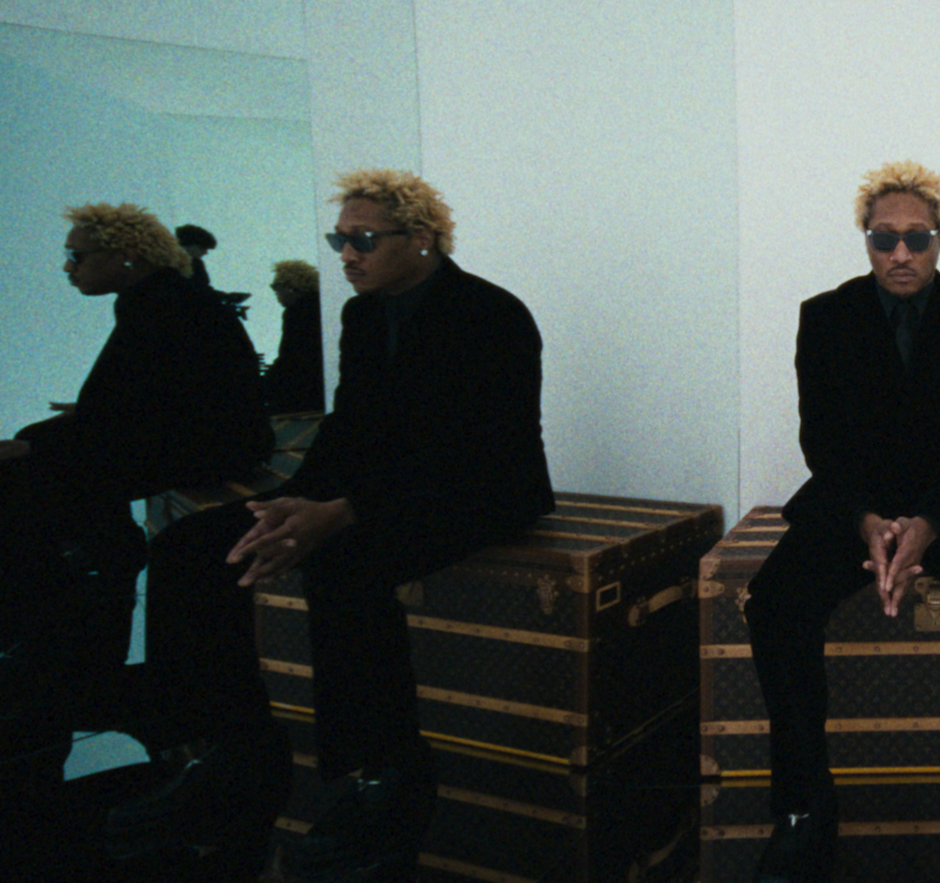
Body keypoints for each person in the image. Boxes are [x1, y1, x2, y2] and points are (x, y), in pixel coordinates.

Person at [106, 170, 554, 881]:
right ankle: (230, 745)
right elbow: (351, 427)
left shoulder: (489, 313)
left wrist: (342, 512)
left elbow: (469, 448)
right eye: (338, 238)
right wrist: (293, 502)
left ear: (422, 239)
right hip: (385, 486)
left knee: (345, 562)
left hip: (480, 489)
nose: (346, 254)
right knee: (192, 545)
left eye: (363, 240)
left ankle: (387, 772)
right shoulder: (363, 314)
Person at [745, 161, 940, 883]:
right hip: (853, 506)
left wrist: (930, 525)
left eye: (918, 238)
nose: (901, 253)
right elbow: (821, 440)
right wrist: (867, 522)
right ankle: (802, 808)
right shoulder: (825, 316)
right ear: (867, 240)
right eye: (885, 239)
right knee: (775, 603)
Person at [0, 203, 268, 873]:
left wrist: (42, 446)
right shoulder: (165, 305)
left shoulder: (163, 311)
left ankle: (59, 652)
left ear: (125, 255)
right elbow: (135, 410)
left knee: (27, 472)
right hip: (193, 467)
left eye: (77, 255)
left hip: (204, 472)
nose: (68, 268)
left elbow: (142, 421)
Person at [261, 259, 325, 413]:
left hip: (303, 394)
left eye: (276, 286)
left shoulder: (297, 312)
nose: (275, 292)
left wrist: (261, 386)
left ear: (290, 287)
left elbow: (291, 359)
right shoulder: (322, 306)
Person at [175, 223, 218, 288]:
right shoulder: (168, 267)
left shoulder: (196, 264)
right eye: (202, 248)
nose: (205, 252)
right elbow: (199, 291)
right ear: (189, 245)